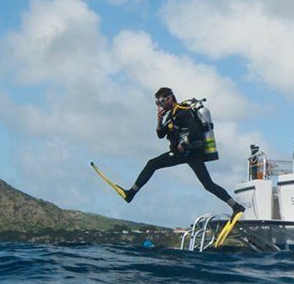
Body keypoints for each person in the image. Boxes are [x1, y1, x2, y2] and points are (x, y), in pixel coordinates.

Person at [105, 87, 245, 215]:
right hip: (186, 154)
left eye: (159, 102)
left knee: (152, 164)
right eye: (157, 103)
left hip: (188, 152)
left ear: (169, 98)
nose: (159, 105)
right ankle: (235, 206)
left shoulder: (183, 112)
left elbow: (195, 133)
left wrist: (182, 145)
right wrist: (159, 120)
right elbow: (160, 135)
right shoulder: (171, 115)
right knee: (207, 184)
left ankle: (130, 194)